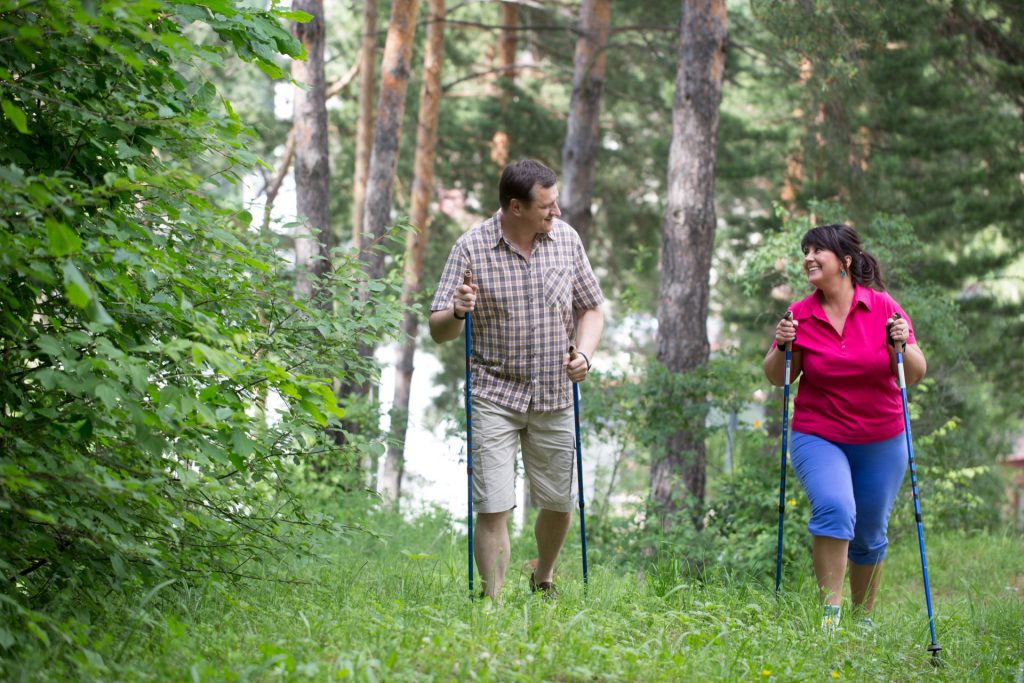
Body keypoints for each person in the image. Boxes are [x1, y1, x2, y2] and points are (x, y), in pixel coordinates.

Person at [429, 159, 605, 600]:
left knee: (561, 501)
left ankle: (543, 577)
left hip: (555, 392)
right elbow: (438, 330)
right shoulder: (471, 248)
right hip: (494, 394)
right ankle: (490, 602)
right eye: (546, 206)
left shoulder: (566, 241)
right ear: (515, 206)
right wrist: (457, 310)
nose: (557, 212)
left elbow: (592, 308)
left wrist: (584, 354)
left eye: (555, 202)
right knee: (493, 504)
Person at [763, 223, 926, 632]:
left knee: (869, 533)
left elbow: (916, 373)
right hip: (818, 434)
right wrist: (783, 346)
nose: (808, 258)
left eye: (818, 251)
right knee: (835, 507)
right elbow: (778, 378)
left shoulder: (884, 307)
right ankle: (830, 617)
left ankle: (864, 619)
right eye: (806, 251)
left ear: (845, 261)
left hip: (882, 437)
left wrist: (901, 344)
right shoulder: (799, 314)